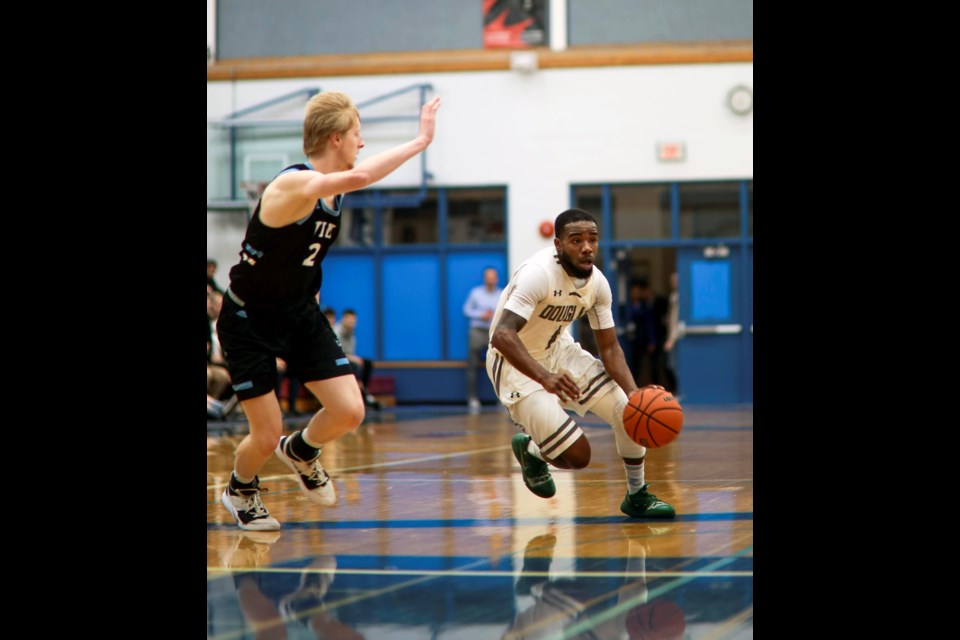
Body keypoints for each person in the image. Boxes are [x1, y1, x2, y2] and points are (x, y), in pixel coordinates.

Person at [216, 90, 442, 530]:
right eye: (358, 134)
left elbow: (304, 257)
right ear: (337, 138)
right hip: (248, 321)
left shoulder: (333, 196)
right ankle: (240, 490)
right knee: (264, 434)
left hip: (299, 314)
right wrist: (419, 143)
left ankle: (301, 450)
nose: (361, 144)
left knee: (350, 411)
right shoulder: (293, 184)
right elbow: (356, 179)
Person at [486, 208, 675, 518]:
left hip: (558, 351)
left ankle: (637, 495)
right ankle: (532, 451)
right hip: (514, 362)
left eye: (592, 240)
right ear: (559, 245)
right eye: (576, 240)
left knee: (628, 411)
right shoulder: (539, 273)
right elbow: (503, 336)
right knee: (577, 456)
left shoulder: (598, 284)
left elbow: (610, 348)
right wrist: (545, 377)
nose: (587, 247)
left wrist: (636, 393)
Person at [462, 266, 502, 412]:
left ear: (496, 278)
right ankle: (472, 398)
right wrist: (481, 315)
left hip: (495, 333)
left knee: (499, 366)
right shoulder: (476, 293)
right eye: (488, 277)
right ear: (485, 278)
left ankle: (502, 399)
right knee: (472, 366)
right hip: (477, 331)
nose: (491, 279)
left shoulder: (502, 294)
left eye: (493, 277)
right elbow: (466, 310)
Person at [623, 278, 669, 388]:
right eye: (634, 290)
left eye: (639, 291)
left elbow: (649, 325)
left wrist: (651, 341)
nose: (636, 293)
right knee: (629, 365)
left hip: (641, 341)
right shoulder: (626, 307)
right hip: (629, 342)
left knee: (646, 365)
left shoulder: (645, 307)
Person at [333, 309, 380, 410]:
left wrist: (354, 358)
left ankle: (363, 392)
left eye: (353, 320)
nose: (351, 322)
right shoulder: (336, 331)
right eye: (349, 319)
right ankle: (360, 394)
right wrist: (353, 358)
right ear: (344, 319)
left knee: (367, 363)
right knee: (355, 365)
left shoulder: (352, 334)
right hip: (337, 360)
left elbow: (351, 352)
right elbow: (337, 352)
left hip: (348, 359)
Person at [662, 271, 681, 396]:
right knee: (670, 365)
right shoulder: (673, 296)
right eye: (671, 281)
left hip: (677, 339)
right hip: (671, 336)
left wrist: (671, 339)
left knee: (674, 366)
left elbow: (678, 320)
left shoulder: (680, 298)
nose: (673, 283)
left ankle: (678, 391)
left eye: (675, 281)